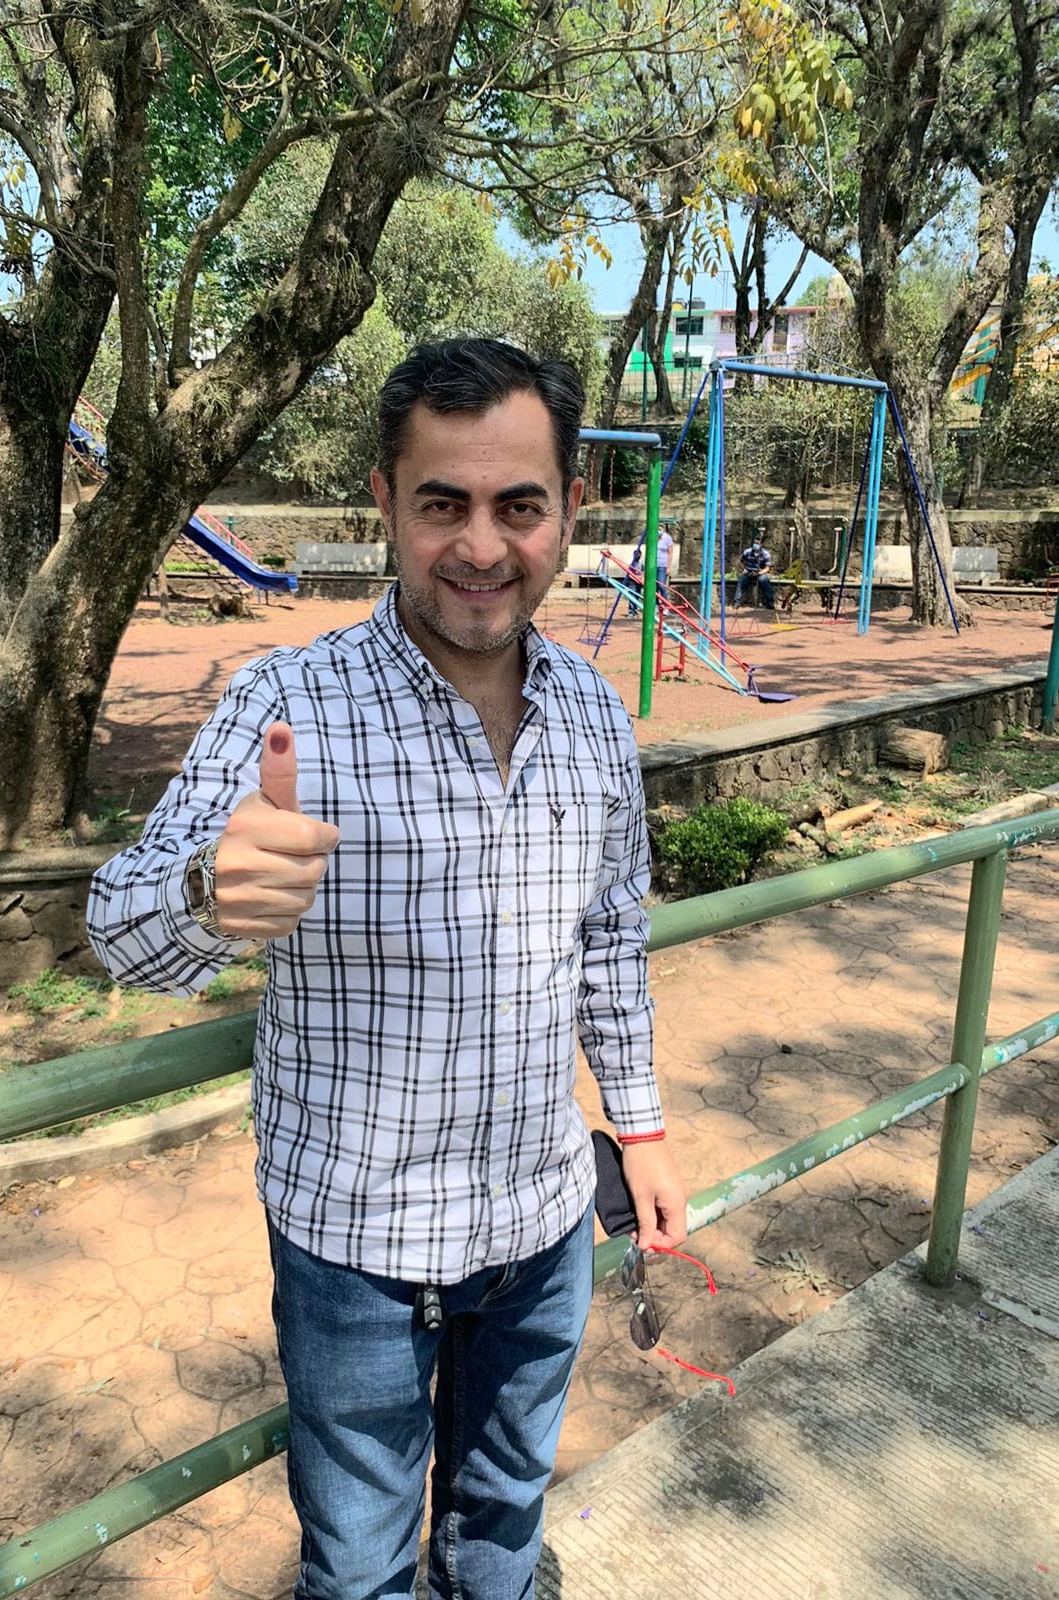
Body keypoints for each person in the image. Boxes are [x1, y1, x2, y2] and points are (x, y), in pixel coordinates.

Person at [86, 338, 686, 1600]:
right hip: (355, 1243)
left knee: (503, 1524)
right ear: (385, 502)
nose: (482, 545)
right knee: (358, 1567)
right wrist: (210, 891)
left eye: (519, 505)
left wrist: (640, 1127)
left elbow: (610, 937)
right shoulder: (288, 704)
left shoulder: (593, 712)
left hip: (541, 1221)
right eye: (442, 503)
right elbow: (118, 930)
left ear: (572, 507)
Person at [734, 535, 775, 608]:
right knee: (742, 580)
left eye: (757, 543)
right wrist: (744, 569)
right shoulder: (747, 552)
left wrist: (758, 573)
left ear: (761, 544)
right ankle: (737, 602)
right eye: (755, 543)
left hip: (759, 573)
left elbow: (767, 568)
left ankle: (770, 603)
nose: (755, 545)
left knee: (764, 580)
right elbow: (740, 562)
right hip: (748, 572)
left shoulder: (766, 554)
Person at [656, 524, 674, 598]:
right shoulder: (654, 537)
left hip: (663, 565)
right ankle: (656, 602)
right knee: (654, 586)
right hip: (654, 564)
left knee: (661, 585)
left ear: (664, 530)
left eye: (660, 530)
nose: (658, 531)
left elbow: (670, 553)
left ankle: (665, 602)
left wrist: (669, 568)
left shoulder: (668, 538)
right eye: (657, 530)